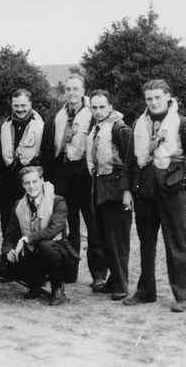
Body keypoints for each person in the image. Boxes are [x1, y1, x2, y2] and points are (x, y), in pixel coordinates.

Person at [122, 79, 186, 312]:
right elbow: (130, 162)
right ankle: (146, 291)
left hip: (172, 193)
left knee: (177, 244)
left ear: (168, 97)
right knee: (146, 243)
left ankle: (183, 296)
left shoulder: (183, 123)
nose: (153, 102)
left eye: (158, 97)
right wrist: (128, 190)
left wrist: (182, 185)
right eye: (149, 98)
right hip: (144, 193)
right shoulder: (139, 124)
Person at [42, 74, 107, 286]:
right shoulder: (59, 115)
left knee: (93, 222)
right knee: (68, 224)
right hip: (64, 172)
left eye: (75, 89)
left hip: (86, 172)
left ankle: (98, 273)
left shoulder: (93, 112)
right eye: (68, 89)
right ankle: (70, 270)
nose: (71, 93)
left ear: (83, 91)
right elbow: (53, 148)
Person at [0, 166, 76, 305]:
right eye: (27, 183)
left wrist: (29, 238)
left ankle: (57, 287)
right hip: (31, 252)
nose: (31, 186)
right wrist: (8, 251)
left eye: (35, 181)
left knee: (45, 245)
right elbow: (10, 235)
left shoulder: (57, 201)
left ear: (42, 180)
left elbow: (54, 229)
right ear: (22, 185)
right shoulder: (19, 205)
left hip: (57, 252)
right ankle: (34, 283)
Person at [85, 90, 132, 301]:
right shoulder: (96, 128)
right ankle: (113, 280)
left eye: (102, 107)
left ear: (110, 107)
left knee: (118, 239)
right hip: (101, 189)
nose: (98, 111)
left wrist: (128, 192)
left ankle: (121, 284)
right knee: (105, 237)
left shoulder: (120, 129)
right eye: (94, 107)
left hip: (117, 190)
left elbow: (131, 164)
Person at [0, 89, 45, 235]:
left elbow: (46, 156)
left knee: (30, 222)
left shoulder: (42, 126)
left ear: (30, 104)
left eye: (23, 105)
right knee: (8, 221)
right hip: (7, 182)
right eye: (16, 106)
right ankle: (9, 253)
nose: (20, 109)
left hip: (30, 183)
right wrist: (0, 178)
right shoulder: (5, 124)